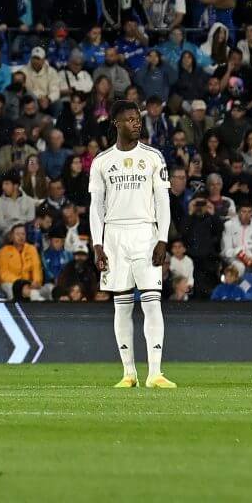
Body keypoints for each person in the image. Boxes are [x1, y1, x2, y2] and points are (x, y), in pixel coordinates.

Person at [89, 103, 175, 389]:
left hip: (144, 233)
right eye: (129, 120)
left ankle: (155, 373)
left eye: (137, 119)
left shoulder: (153, 157)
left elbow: (163, 201)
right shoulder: (102, 161)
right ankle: (129, 374)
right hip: (114, 235)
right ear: (116, 123)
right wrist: (97, 243)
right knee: (122, 306)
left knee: (152, 303)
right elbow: (96, 206)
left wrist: (162, 238)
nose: (136, 124)